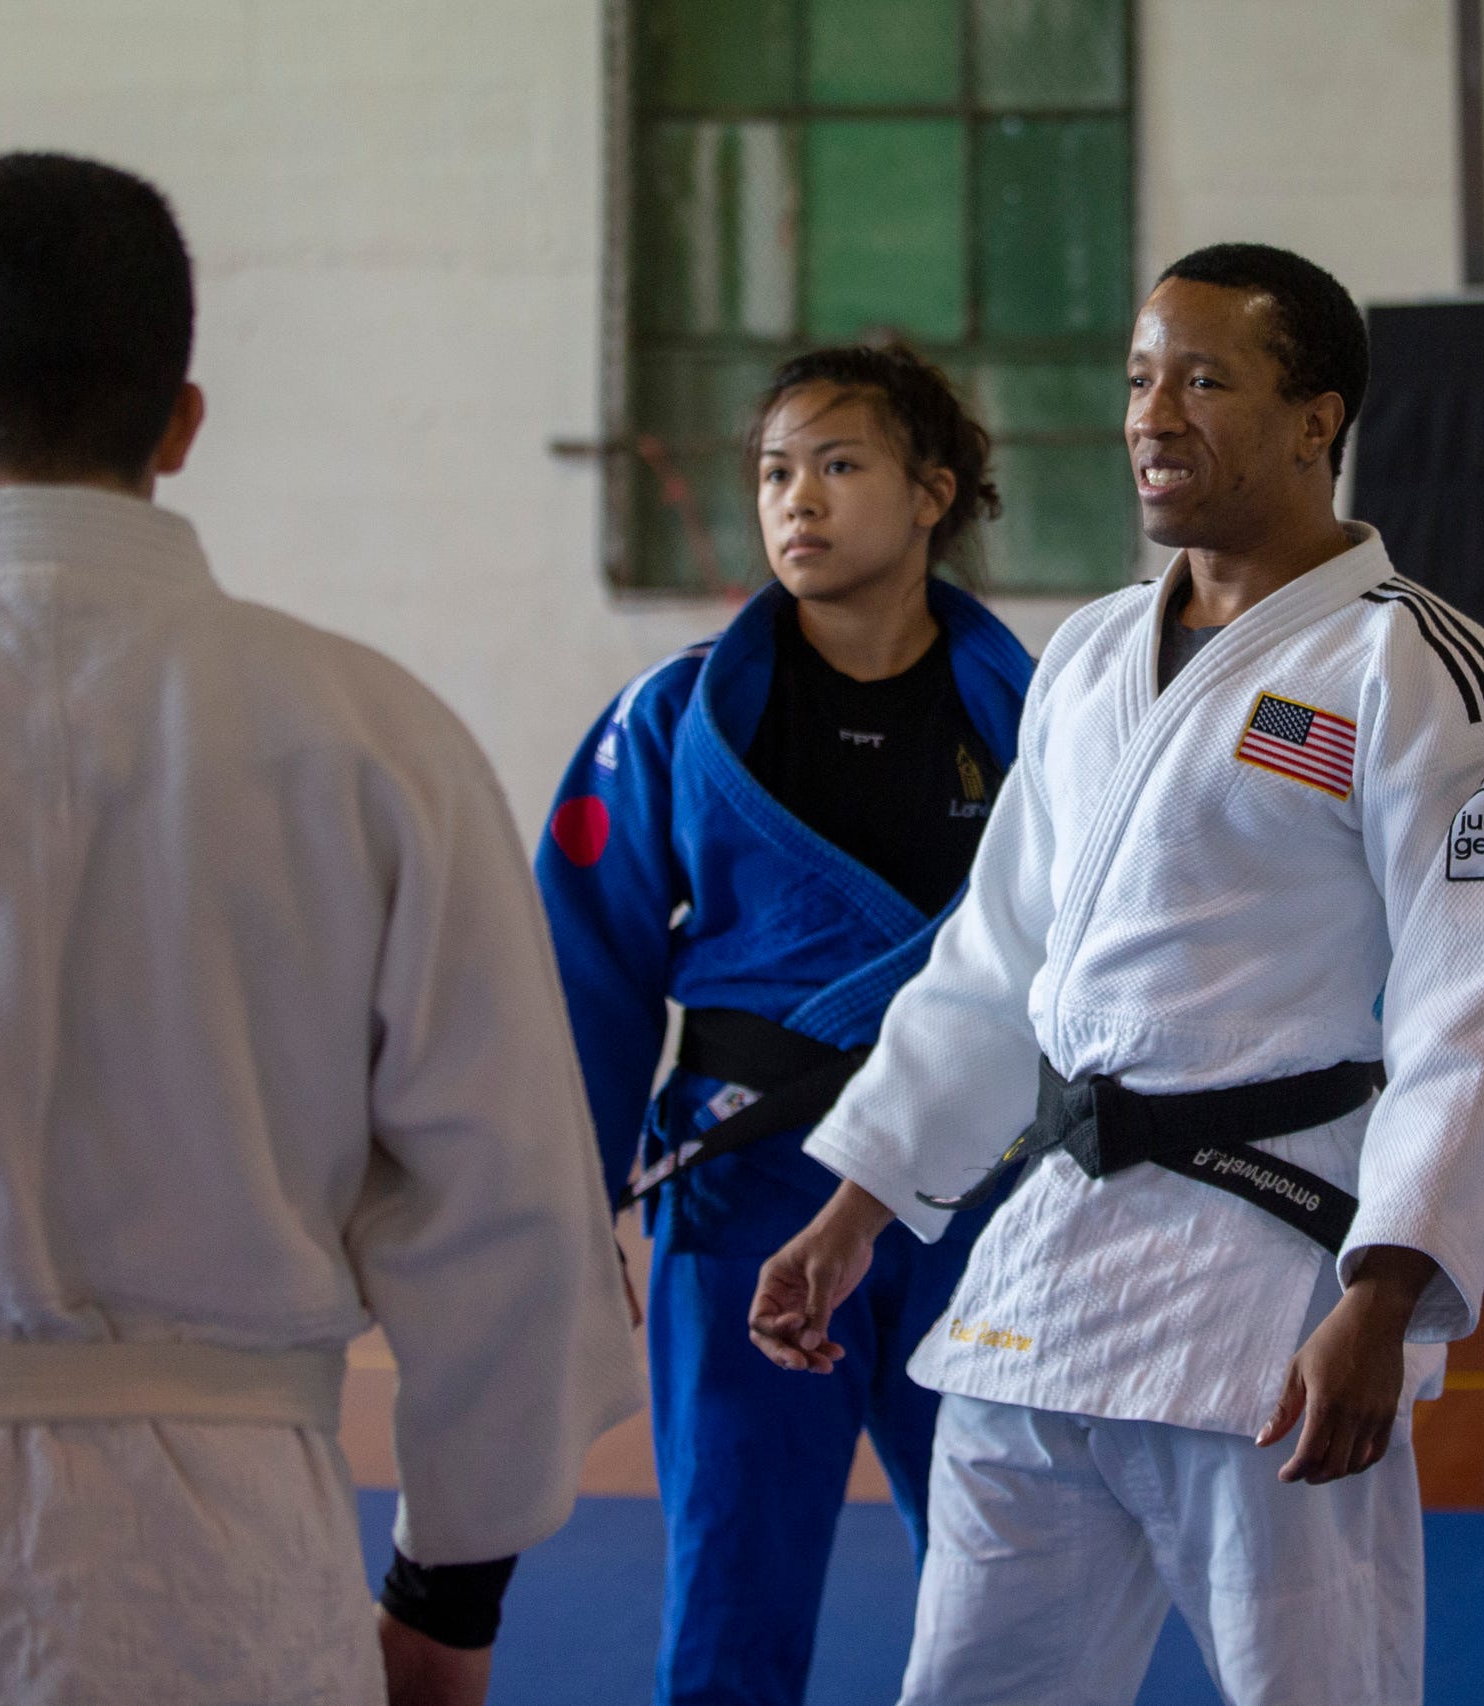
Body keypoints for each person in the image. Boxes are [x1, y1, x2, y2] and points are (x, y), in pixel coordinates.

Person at [0, 153, 643, 1705]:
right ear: (181, 422)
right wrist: (446, 1598)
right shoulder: (373, 737)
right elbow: (516, 1215)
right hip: (219, 1578)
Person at [747, 243, 1484, 1705]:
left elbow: (1472, 1010)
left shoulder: (1423, 673)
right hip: (1045, 1276)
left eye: (1202, 378)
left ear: (1318, 418)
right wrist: (858, 1202)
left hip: (1273, 1292)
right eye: (1136, 378)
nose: (1152, 414)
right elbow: (997, 962)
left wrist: (1386, 1289)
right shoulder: (1094, 650)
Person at [535, 344, 1032, 1705]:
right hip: (747, 1183)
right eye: (772, 471)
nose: (795, 499)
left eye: (838, 464)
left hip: (970, 1197)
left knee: (1009, 1586)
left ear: (933, 493)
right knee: (733, 1590)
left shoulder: (1045, 725)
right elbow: (586, 972)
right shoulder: (673, 718)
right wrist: (578, 1212)